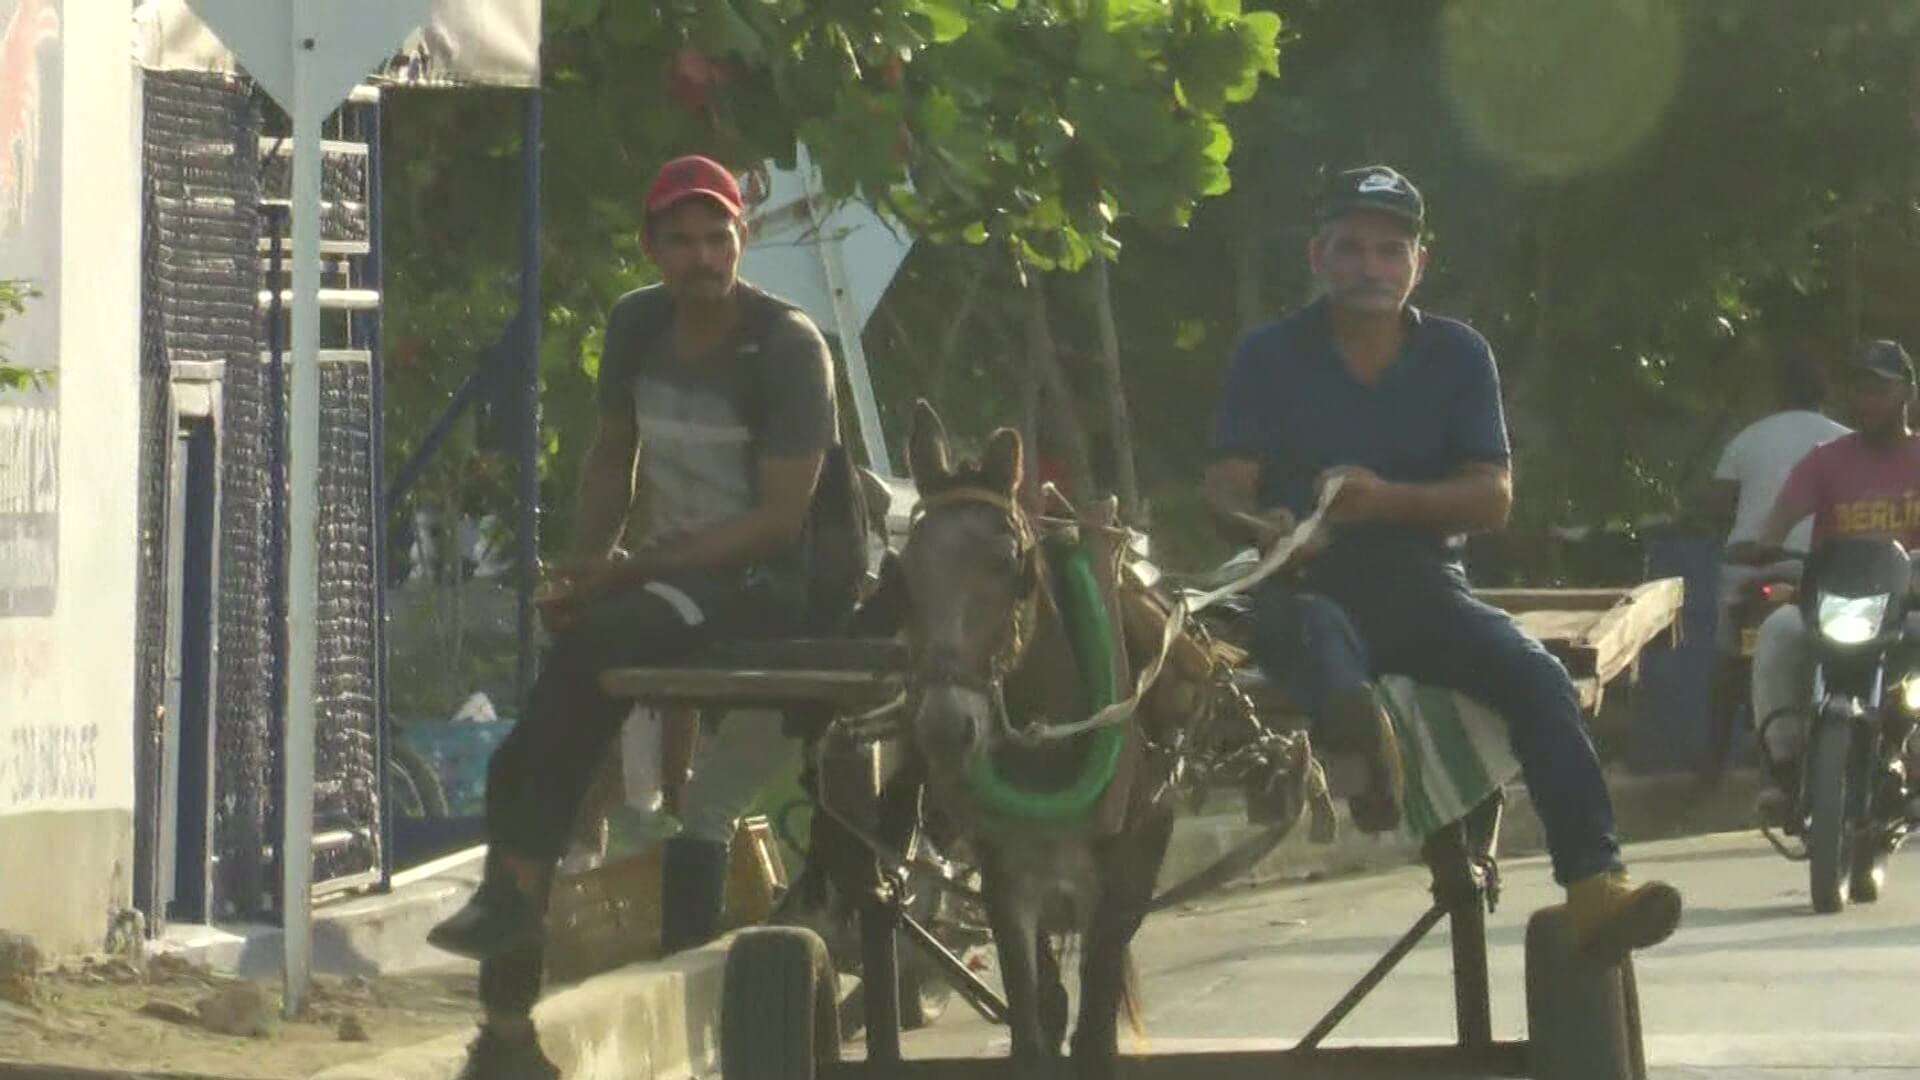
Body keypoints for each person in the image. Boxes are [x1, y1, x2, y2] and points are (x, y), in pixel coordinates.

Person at [425, 154, 840, 1080]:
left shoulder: (786, 346)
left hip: (767, 586)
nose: (703, 257)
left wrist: (631, 571)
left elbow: (779, 523)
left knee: (599, 649)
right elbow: (615, 454)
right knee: (528, 756)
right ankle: (506, 1024)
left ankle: (511, 907)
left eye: (718, 237)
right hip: (666, 585)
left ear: (742, 240)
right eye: (683, 240)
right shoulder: (635, 325)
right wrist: (585, 562)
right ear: (652, 249)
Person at [1203, 165, 1682, 959]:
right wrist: (1263, 525)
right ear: (1319, 256)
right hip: (1301, 581)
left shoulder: (1459, 354)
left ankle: (1596, 885)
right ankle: (1370, 746)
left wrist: (1382, 499)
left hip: (1421, 587)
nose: (1370, 267)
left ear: (1416, 265)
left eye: (1391, 251)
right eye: (1352, 248)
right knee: (1314, 633)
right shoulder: (1270, 354)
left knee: (1535, 677)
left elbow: (1491, 497)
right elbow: (1221, 488)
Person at [1730, 340, 1920, 821]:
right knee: (1776, 633)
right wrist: (1761, 545)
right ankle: (1784, 765)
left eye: (1880, 388)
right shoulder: (1825, 459)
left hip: (1905, 607)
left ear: (1906, 395)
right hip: (1831, 606)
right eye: (1861, 388)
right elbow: (1777, 523)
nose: (1868, 400)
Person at [1701, 356, 1849, 782]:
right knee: (1839, 653)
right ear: (1828, 395)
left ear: (1777, 393)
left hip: (1747, 568)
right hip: (1813, 569)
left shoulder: (1748, 438)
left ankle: (1711, 765)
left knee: (1729, 661)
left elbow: (1718, 504)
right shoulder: (1845, 443)